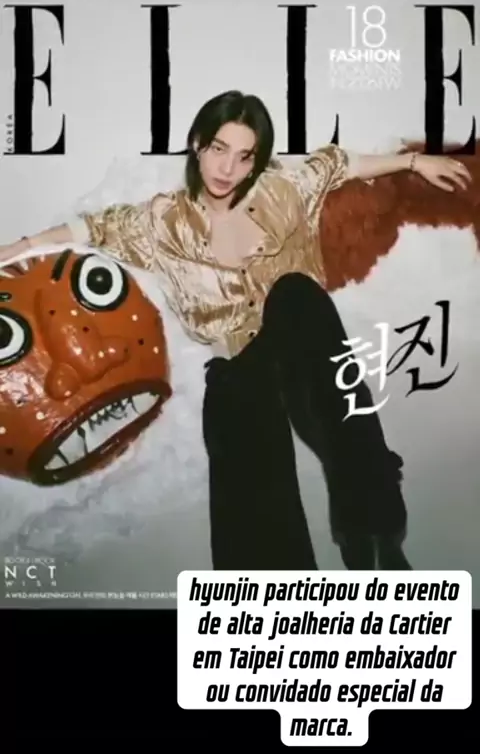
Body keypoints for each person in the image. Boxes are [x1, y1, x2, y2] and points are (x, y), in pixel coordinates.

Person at [0, 91, 471, 570]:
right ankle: (277, 593)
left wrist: (414, 162)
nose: (228, 168)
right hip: (242, 375)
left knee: (294, 294)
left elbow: (339, 164)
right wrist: (19, 246)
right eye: (219, 149)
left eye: (245, 156)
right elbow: (93, 228)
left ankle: (371, 527)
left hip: (301, 352)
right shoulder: (162, 222)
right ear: (197, 144)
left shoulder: (281, 189)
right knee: (232, 395)